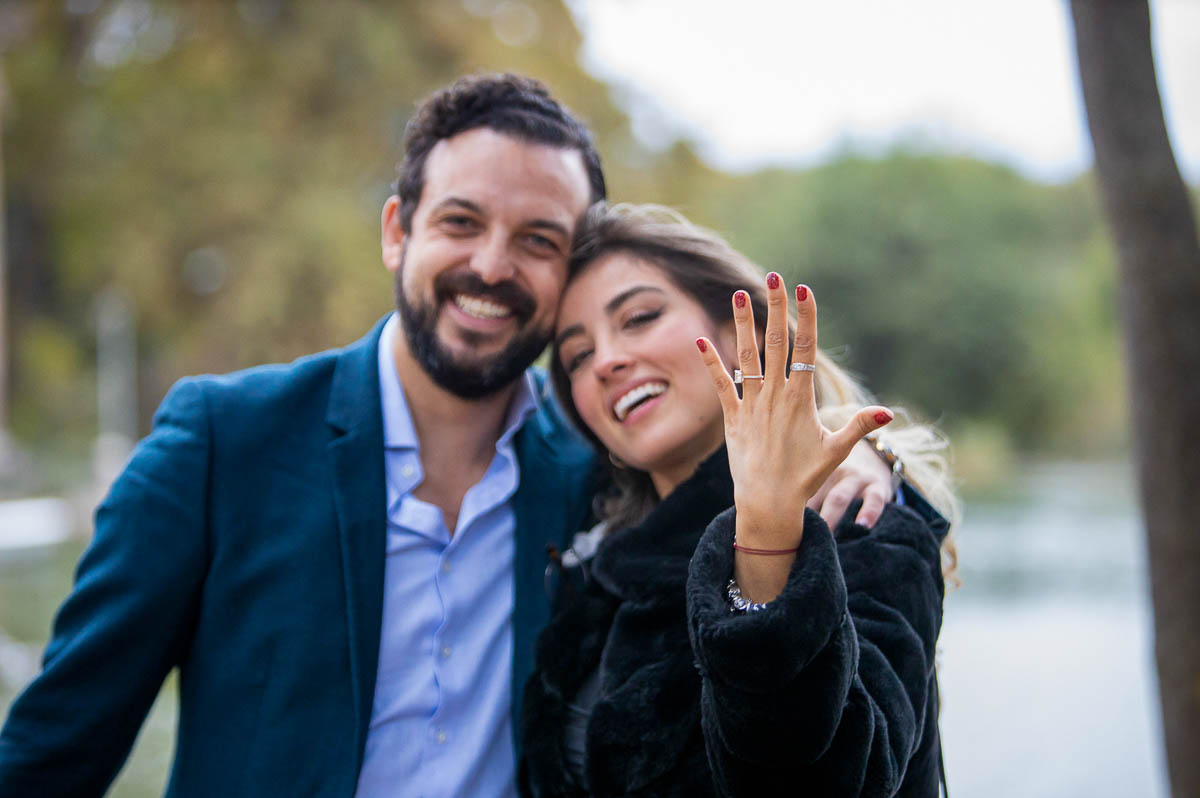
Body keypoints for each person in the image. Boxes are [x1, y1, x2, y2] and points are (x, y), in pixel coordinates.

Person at [0, 75, 905, 798]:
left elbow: (707, 471)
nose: (490, 266)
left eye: (539, 240)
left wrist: (846, 444)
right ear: (399, 232)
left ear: (567, 275)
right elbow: (53, 750)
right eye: (461, 222)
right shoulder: (221, 442)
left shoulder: (591, 474)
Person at [519, 203, 957, 796]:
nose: (607, 361)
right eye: (577, 356)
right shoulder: (598, 557)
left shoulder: (852, 512)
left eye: (640, 317)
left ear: (741, 331)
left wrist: (771, 536)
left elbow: (835, 778)